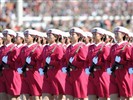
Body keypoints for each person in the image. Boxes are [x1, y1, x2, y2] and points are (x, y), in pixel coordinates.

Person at [107, 26, 133, 100]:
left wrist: (131, 68)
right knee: (113, 96)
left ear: (124, 35)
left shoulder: (128, 46)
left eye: (117, 33)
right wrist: (108, 68)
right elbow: (109, 60)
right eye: (115, 33)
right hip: (113, 74)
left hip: (123, 74)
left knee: (125, 97)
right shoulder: (113, 47)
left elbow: (131, 59)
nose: (115, 35)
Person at [40, 29, 65, 100]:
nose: (48, 37)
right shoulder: (45, 47)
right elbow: (41, 59)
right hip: (47, 74)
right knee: (45, 96)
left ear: (55, 37)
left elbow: (61, 61)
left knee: (57, 97)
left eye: (50, 35)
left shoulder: (58, 47)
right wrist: (40, 68)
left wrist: (51, 62)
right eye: (47, 35)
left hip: (55, 74)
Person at [64, 27, 88, 100]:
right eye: (70, 34)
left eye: (73, 34)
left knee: (80, 97)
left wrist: (74, 62)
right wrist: (64, 66)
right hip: (69, 75)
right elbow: (64, 59)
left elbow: (84, 60)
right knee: (68, 96)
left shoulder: (82, 46)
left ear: (78, 36)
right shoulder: (68, 48)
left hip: (78, 74)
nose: (71, 36)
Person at [18, 29, 42, 100]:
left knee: (35, 95)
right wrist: (18, 67)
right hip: (25, 74)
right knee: (24, 95)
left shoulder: (37, 48)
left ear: (33, 37)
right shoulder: (23, 49)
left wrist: (31, 63)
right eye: (25, 36)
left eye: (27, 36)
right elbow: (18, 60)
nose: (25, 38)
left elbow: (39, 62)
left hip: (33, 74)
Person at [87, 27, 110, 100]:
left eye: (95, 34)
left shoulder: (104, 47)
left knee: (103, 97)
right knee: (91, 96)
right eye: (92, 34)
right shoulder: (90, 47)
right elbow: (87, 60)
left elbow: (107, 61)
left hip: (101, 75)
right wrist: (86, 68)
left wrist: (99, 63)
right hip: (92, 75)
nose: (93, 35)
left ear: (101, 36)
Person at [1, 29, 21, 100]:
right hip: (2, 74)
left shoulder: (14, 48)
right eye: (4, 35)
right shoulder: (2, 48)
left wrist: (8, 62)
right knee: (2, 96)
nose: (4, 37)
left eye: (6, 35)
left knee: (12, 97)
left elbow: (17, 63)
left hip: (11, 74)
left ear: (12, 37)